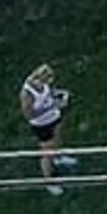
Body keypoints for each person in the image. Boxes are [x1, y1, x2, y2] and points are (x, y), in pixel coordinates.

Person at [20, 63, 72, 191]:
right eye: (48, 80)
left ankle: (58, 158)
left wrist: (61, 94)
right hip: (41, 124)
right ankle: (49, 180)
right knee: (46, 152)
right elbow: (29, 115)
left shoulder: (43, 84)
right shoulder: (27, 93)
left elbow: (49, 93)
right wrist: (53, 106)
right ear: (39, 78)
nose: (49, 83)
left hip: (54, 117)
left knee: (57, 139)